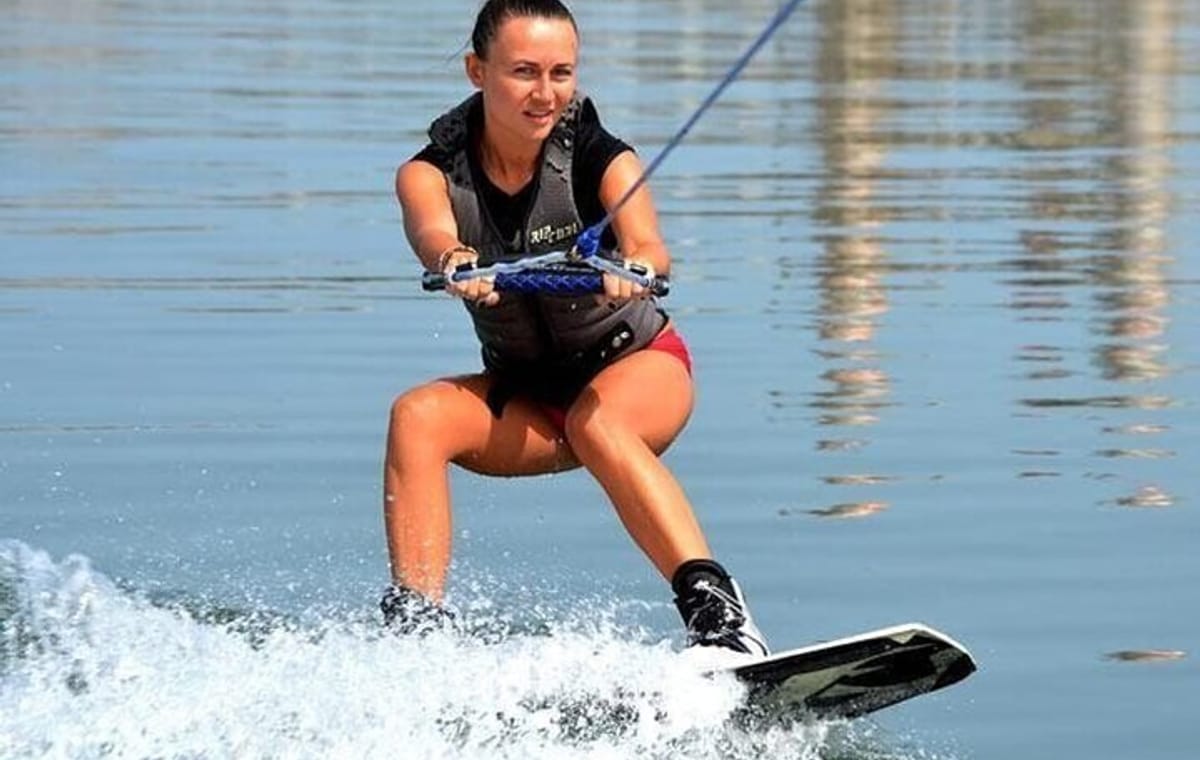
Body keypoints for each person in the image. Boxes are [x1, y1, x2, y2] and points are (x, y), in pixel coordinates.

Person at [381, 0, 767, 658]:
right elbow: (433, 233)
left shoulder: (600, 156)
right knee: (416, 416)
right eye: (524, 71)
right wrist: (453, 262)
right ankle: (418, 642)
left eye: (562, 72)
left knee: (600, 423)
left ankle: (723, 626)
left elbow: (650, 242)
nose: (546, 93)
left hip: (638, 369)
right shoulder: (429, 174)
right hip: (530, 401)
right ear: (478, 71)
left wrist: (635, 265)